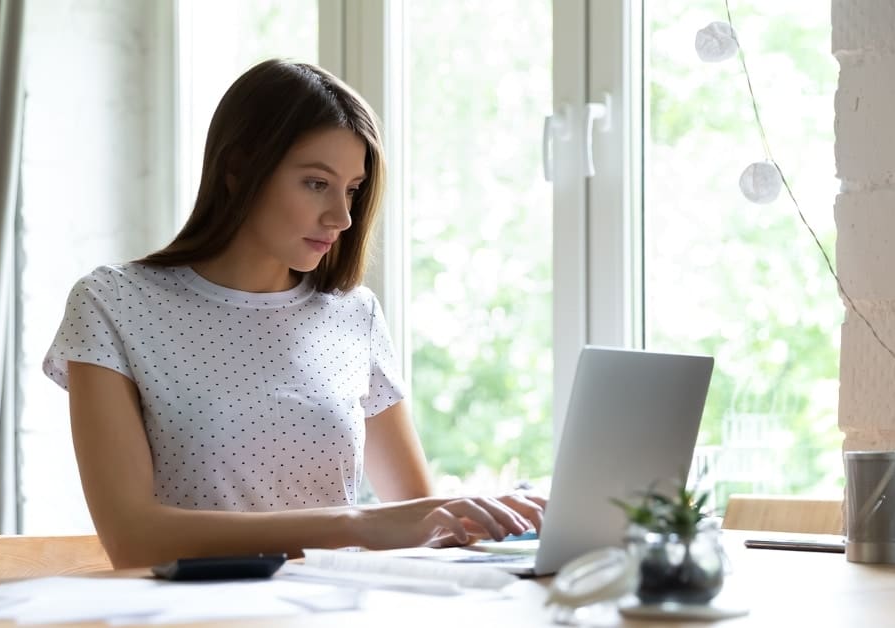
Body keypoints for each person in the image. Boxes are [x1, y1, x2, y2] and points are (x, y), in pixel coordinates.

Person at [43, 58, 545, 568]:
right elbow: (134, 539)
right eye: (315, 183)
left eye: (351, 189)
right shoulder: (114, 304)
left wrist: (499, 517)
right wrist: (354, 523)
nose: (342, 217)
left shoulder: (355, 314)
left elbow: (421, 525)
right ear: (238, 171)